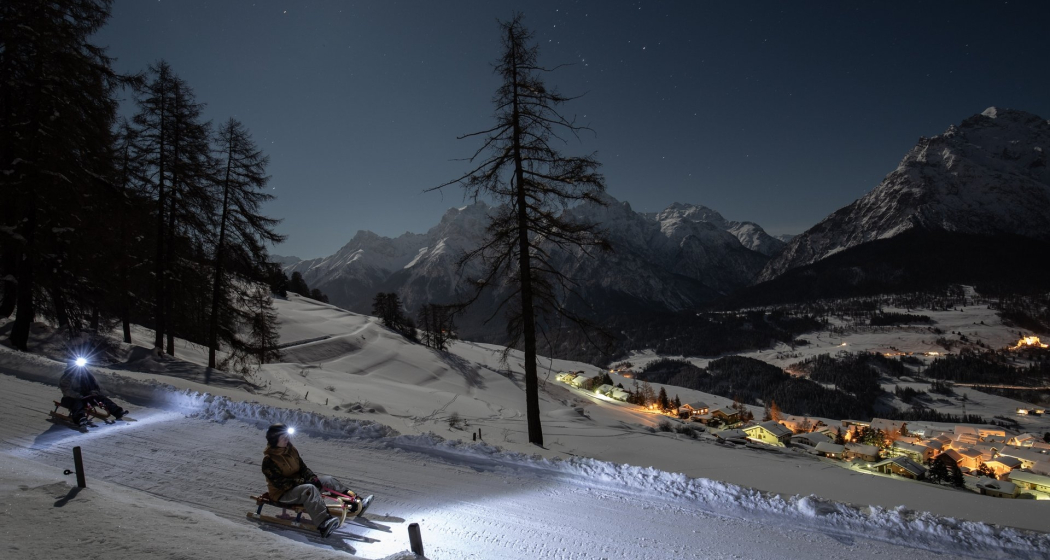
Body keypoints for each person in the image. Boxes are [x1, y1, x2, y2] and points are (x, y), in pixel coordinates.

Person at [261, 423, 358, 538]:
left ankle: (354, 501)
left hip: (300, 486)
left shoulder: (291, 450)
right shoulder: (269, 461)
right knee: (310, 489)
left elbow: (303, 468)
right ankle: (323, 523)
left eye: (287, 436)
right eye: (283, 438)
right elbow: (281, 484)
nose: (287, 439)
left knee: (328, 480)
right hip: (283, 493)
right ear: (274, 440)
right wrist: (304, 482)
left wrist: (312, 478)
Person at [59, 359, 127, 425]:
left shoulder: (87, 376)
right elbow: (66, 390)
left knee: (101, 398)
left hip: (86, 397)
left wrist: (93, 392)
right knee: (77, 403)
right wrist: (79, 396)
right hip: (70, 398)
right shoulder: (67, 377)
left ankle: (117, 411)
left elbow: (95, 386)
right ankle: (79, 418)